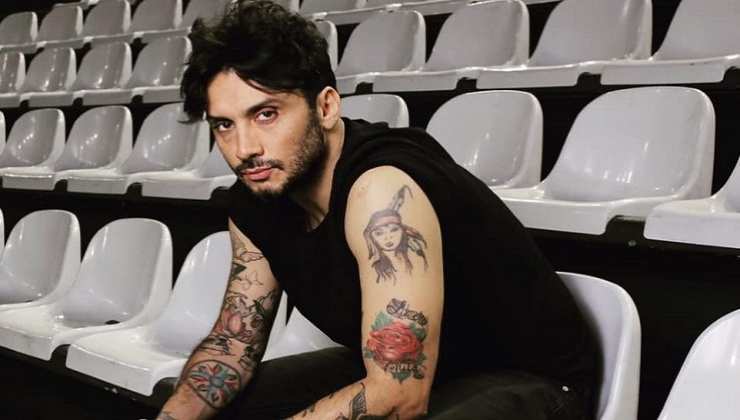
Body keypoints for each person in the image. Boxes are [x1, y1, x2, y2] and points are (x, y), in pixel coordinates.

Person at [157, 1, 598, 419]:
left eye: (266, 114)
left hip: (528, 381)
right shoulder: (258, 195)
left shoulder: (381, 188)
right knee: (200, 404)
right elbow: (233, 345)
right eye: (224, 125)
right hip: (416, 373)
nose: (244, 148)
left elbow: (398, 398)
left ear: (325, 107)